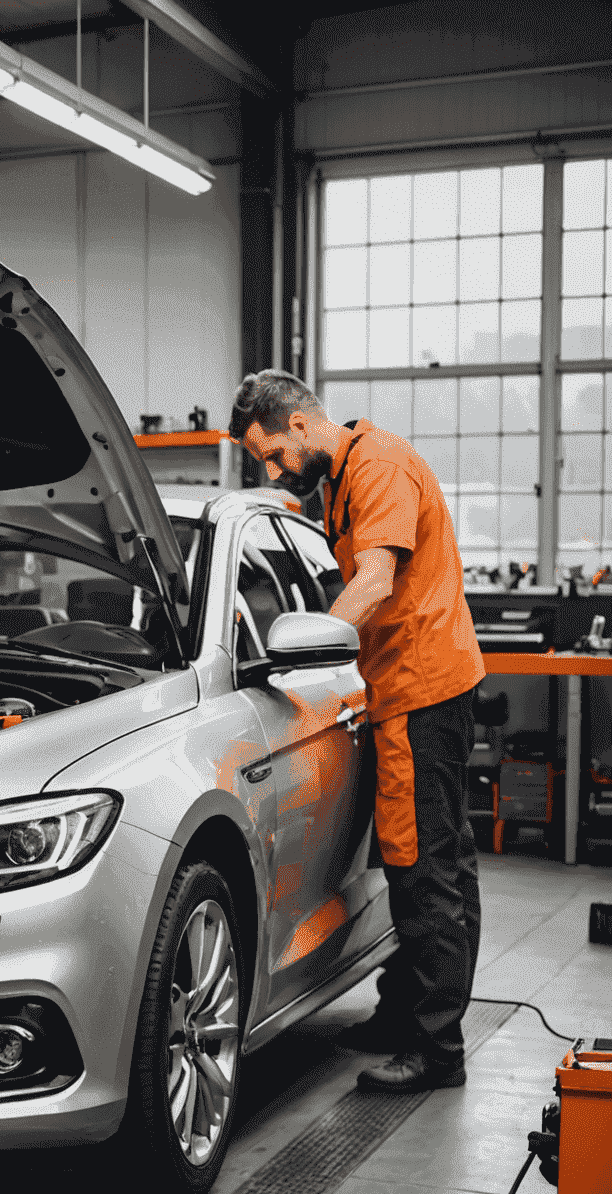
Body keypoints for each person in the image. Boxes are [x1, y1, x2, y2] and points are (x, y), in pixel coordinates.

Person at [230, 370, 484, 1093]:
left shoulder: (377, 466)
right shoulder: (343, 477)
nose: (276, 472)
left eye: (273, 454)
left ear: (302, 425)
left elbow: (373, 580)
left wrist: (310, 643)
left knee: (421, 866)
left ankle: (438, 1053)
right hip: (404, 687)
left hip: (421, 690)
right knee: (435, 858)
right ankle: (404, 1010)